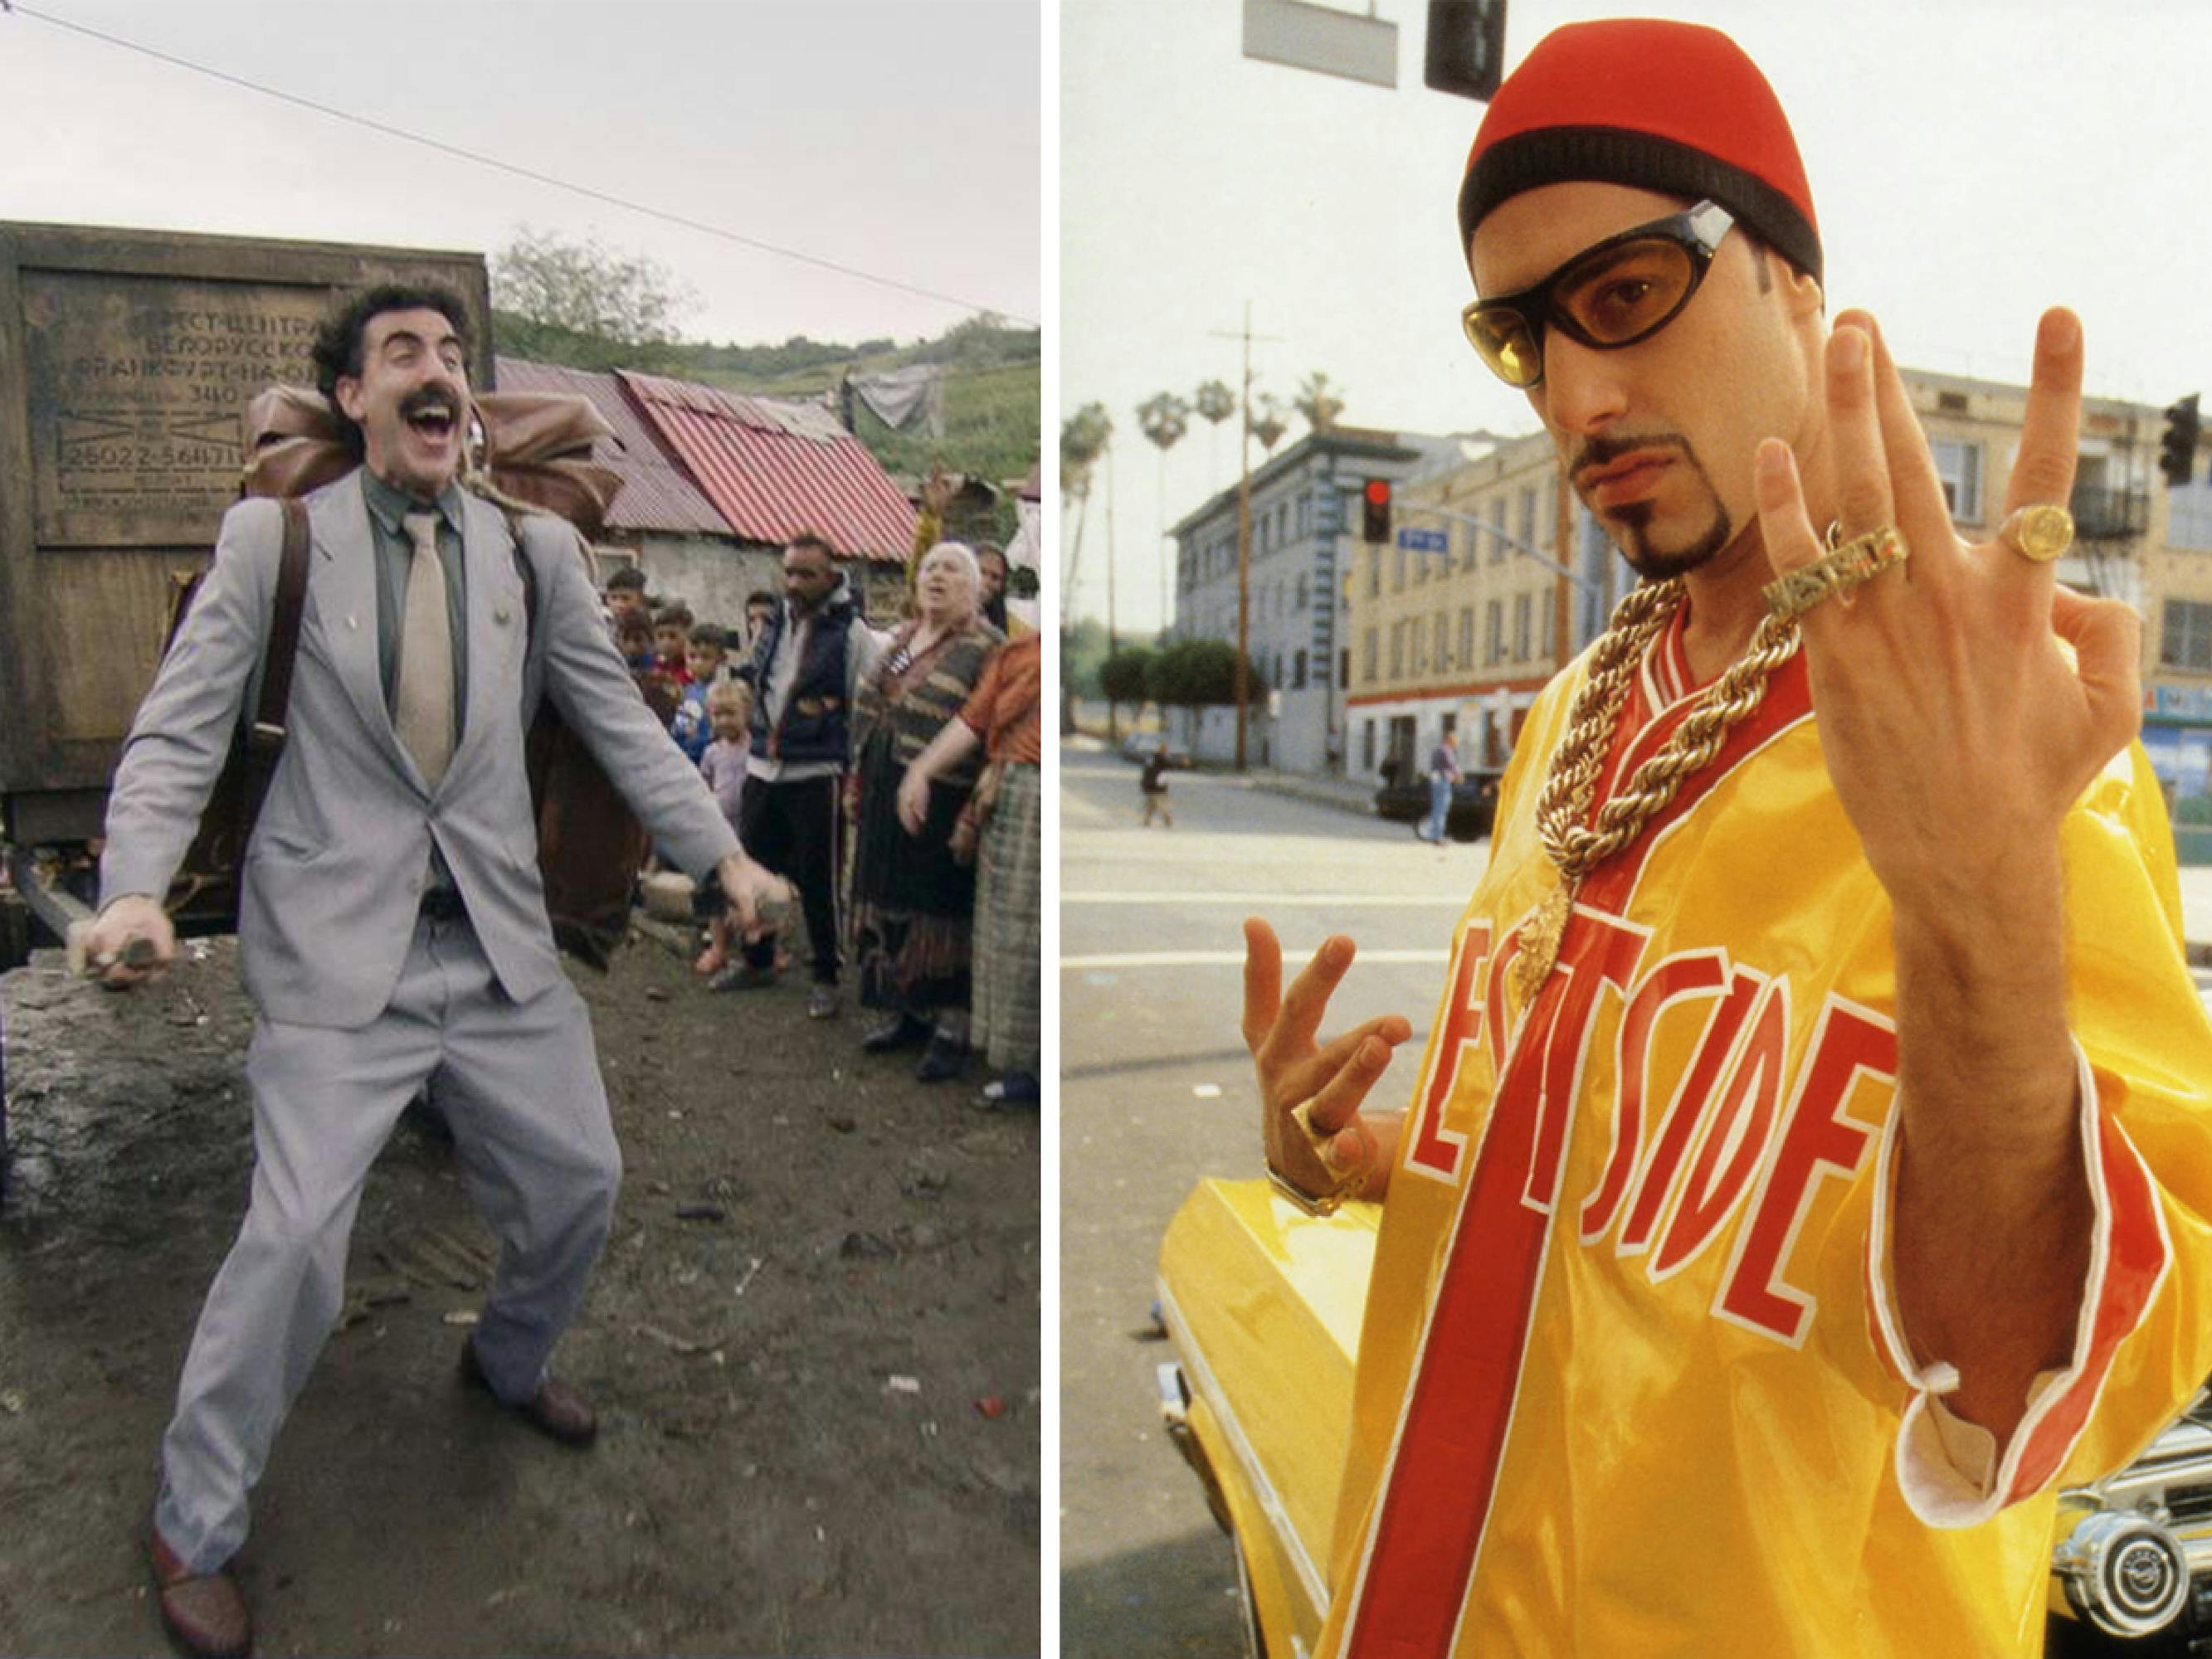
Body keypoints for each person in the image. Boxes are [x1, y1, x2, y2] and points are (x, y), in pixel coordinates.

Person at [1240, 21, 2212, 1657]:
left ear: (1792, 281)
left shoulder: (2014, 740)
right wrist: (1364, 1159)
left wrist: (1976, 904)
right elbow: (1614, 1201)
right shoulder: (1568, 724)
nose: (1577, 396)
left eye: (1624, 296)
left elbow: (2060, 1381)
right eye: (1524, 341)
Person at [84, 282, 779, 1659]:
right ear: (354, 398)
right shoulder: (273, 542)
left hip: (496, 944)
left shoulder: (533, 556)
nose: (436, 371)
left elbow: (624, 728)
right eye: (404, 352)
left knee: (581, 1181)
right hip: (337, 958)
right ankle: (192, 1520)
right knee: (292, 1245)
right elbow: (176, 736)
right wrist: (132, 893)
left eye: (454, 356)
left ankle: (505, 1361)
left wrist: (725, 860)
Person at [848, 542, 1002, 1082]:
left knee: (941, 909)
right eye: (931, 568)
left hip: (944, 794)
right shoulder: (905, 636)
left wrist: (972, 811)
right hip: (885, 782)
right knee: (889, 897)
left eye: (953, 570)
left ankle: (951, 1029)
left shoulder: (990, 648)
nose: (938, 577)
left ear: (976, 587)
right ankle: (907, 1012)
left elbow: (991, 730)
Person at [724, 532, 884, 1018]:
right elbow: (760, 679)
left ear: (830, 575)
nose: (795, 582)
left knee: (819, 877)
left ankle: (826, 974)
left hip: (816, 769)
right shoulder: (772, 621)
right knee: (753, 867)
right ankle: (757, 958)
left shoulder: (852, 633)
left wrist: (850, 768)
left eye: (806, 574)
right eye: (789, 572)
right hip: (763, 767)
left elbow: (867, 705)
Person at [898, 630, 1042, 1109]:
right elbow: (974, 720)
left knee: (1038, 941)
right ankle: (1027, 1072)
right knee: (1012, 944)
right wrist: (922, 770)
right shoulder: (1019, 652)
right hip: (1012, 794)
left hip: (1037, 795)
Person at [1420, 730, 1460, 844]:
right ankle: (1437, 836)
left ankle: (1433, 834)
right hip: (1443, 781)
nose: (1456, 744)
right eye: (1455, 742)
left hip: (1436, 780)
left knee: (1436, 808)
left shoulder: (1437, 750)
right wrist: (1459, 775)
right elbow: (1452, 765)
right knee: (1441, 808)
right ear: (1450, 740)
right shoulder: (1446, 751)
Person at [1139, 740, 1173, 828]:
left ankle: (1146, 821)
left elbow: (1146, 772)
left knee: (1151, 804)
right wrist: (1184, 764)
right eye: (1165, 749)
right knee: (1162, 805)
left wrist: (1144, 785)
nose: (1166, 751)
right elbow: (1172, 766)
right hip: (1158, 787)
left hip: (1149, 786)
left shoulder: (1150, 759)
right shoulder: (1161, 759)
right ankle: (1168, 821)